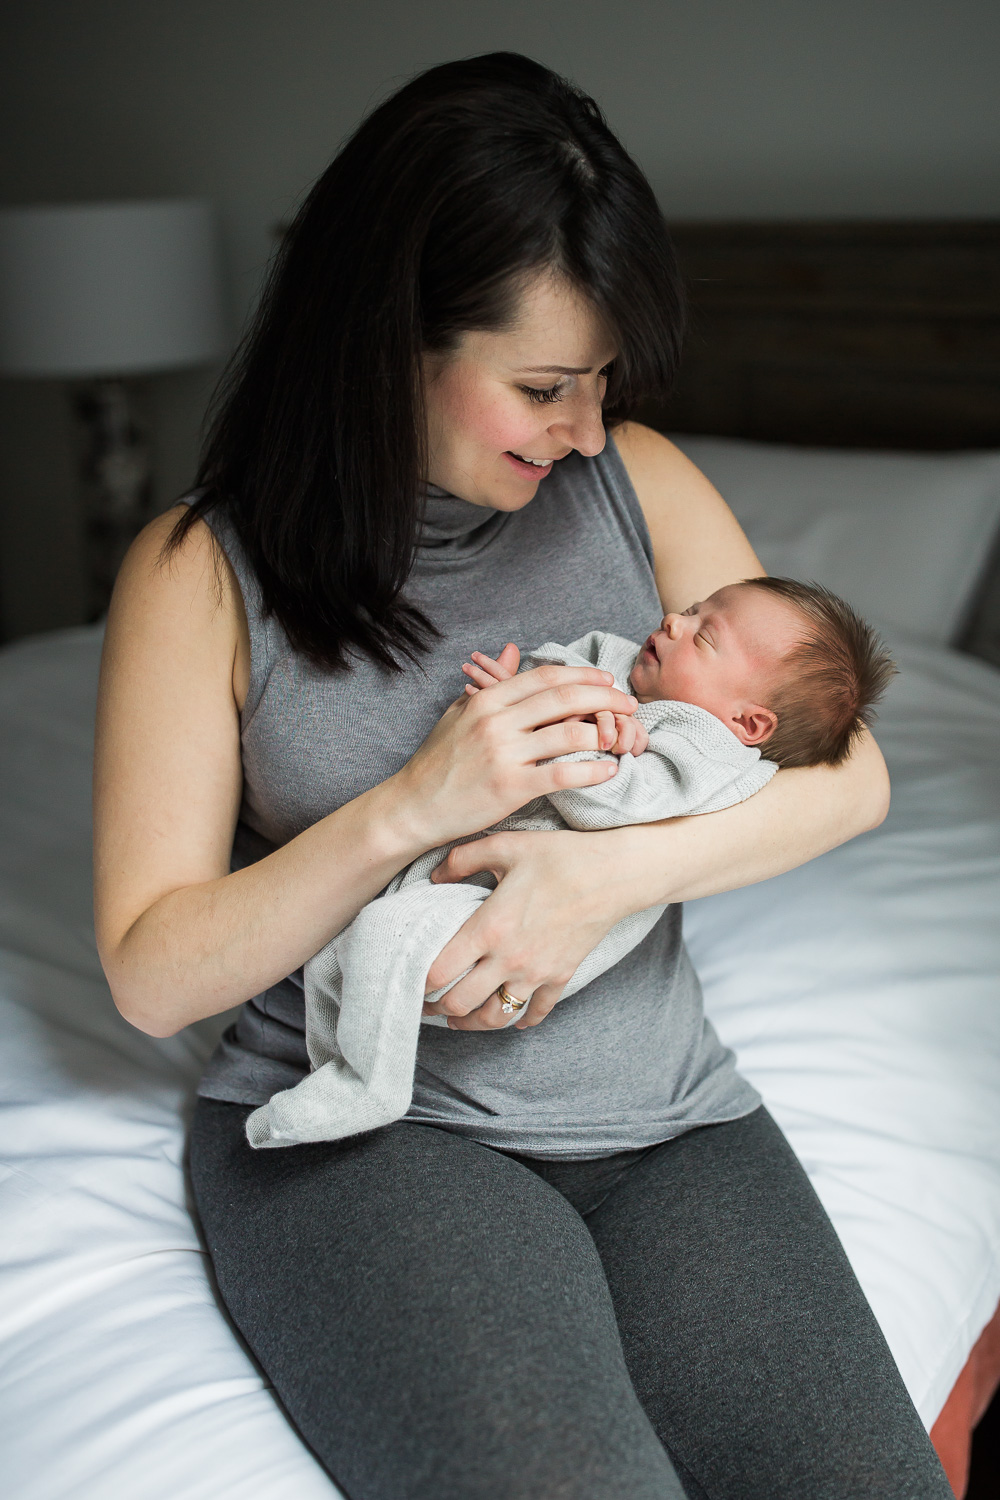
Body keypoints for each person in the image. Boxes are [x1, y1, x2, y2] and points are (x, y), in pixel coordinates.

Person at [92, 51, 951, 1500]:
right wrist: (412, 806)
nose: (588, 430)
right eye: (546, 385)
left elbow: (847, 778)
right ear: (389, 342)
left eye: (606, 379)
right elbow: (152, 974)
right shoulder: (201, 573)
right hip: (379, 1133)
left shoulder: (643, 485)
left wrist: (594, 875)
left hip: (673, 1124)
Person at [242, 577, 896, 1151]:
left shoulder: (709, 752)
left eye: (704, 636)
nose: (676, 621)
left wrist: (578, 741)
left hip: (539, 917)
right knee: (340, 953)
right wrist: (521, 695)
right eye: (693, 608)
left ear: (748, 722)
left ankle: (369, 1088)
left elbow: (612, 809)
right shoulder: (621, 661)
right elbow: (554, 669)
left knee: (389, 942)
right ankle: (338, 1074)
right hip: (476, 876)